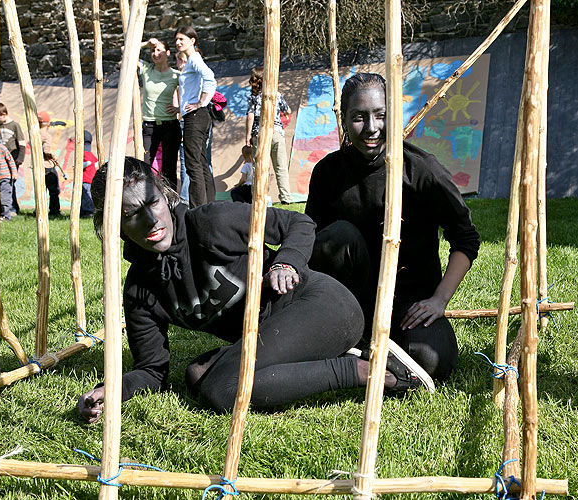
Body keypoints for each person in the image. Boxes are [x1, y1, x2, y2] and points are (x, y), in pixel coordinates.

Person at [75, 157, 435, 423]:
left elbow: (299, 222)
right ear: (112, 226)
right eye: (131, 214)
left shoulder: (212, 223)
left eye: (152, 203)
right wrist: (113, 391)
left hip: (321, 306)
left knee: (220, 389)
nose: (151, 221)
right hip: (268, 334)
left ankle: (367, 371)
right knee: (197, 375)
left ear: (167, 197)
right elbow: (153, 370)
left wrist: (286, 263)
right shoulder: (141, 290)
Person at [306, 73, 480, 382]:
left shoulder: (422, 170)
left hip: (408, 302)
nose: (371, 128)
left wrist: (439, 300)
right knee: (339, 235)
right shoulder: (328, 173)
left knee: (434, 360)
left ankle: (366, 348)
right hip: (350, 299)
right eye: (358, 117)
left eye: (380, 115)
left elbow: (465, 237)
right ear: (344, 119)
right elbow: (312, 242)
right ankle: (351, 334)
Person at [174, 26, 217, 208]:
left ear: (192, 40)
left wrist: (201, 102)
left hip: (196, 116)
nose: (177, 43)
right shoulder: (191, 60)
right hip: (197, 116)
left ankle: (198, 208)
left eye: (181, 39)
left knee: (193, 164)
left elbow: (210, 78)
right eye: (176, 39)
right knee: (200, 161)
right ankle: (209, 206)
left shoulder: (194, 58)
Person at [137, 38, 181, 189]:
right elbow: (126, 50)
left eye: (159, 50)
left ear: (168, 53)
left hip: (170, 126)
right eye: (153, 51)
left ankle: (171, 206)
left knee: (169, 169)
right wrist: (146, 44)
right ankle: (148, 203)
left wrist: (179, 108)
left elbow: (192, 93)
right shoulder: (146, 70)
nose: (155, 54)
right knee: (145, 167)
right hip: (149, 126)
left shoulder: (176, 75)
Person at [245, 66, 292, 205]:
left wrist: (248, 136)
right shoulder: (276, 94)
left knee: (259, 167)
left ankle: (258, 197)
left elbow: (250, 116)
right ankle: (286, 197)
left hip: (259, 133)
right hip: (277, 132)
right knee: (281, 167)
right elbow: (288, 110)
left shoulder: (253, 97)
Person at [0, 102, 26, 215]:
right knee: (4, 184)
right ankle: (4, 207)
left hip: (13, 160)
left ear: (4, 114)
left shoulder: (14, 125)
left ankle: (13, 208)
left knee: (10, 184)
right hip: (1, 161)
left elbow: (22, 144)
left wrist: (20, 158)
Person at [37, 111, 61, 217]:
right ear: (49, 124)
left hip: (38, 166)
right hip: (47, 166)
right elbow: (46, 150)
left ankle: (39, 210)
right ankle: (54, 211)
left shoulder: (35, 134)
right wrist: (53, 156)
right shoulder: (46, 135)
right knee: (54, 190)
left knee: (41, 189)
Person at [80, 130, 98, 218]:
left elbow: (89, 162)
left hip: (86, 179)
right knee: (85, 196)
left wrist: (80, 166)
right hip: (90, 178)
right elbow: (95, 163)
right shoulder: (90, 153)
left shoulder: (83, 153)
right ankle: (84, 211)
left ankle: (88, 211)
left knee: (86, 196)